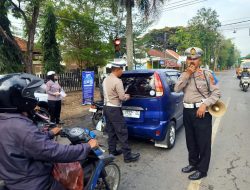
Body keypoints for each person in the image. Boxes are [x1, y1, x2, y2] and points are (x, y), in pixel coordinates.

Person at [0, 73, 98, 190]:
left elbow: (26, 144)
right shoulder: (20, 126)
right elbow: (52, 151)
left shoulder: (6, 120)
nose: (33, 98)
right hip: (36, 183)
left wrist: (51, 133)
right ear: (18, 98)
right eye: (29, 94)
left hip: (13, 180)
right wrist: (86, 147)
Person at [174, 47, 221, 180]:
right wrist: (187, 73)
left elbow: (216, 92)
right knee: (191, 141)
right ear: (187, 60)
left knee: (203, 143)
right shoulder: (184, 74)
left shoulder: (207, 74)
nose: (192, 61)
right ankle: (193, 164)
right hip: (187, 111)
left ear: (199, 60)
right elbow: (177, 88)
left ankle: (202, 170)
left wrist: (205, 104)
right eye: (190, 58)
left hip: (202, 112)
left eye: (195, 58)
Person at [103, 62, 140, 163]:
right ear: (117, 69)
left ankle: (112, 151)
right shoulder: (117, 81)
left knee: (111, 131)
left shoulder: (105, 79)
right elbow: (122, 98)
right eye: (121, 69)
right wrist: (128, 96)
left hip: (106, 108)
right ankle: (127, 157)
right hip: (115, 109)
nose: (122, 72)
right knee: (122, 132)